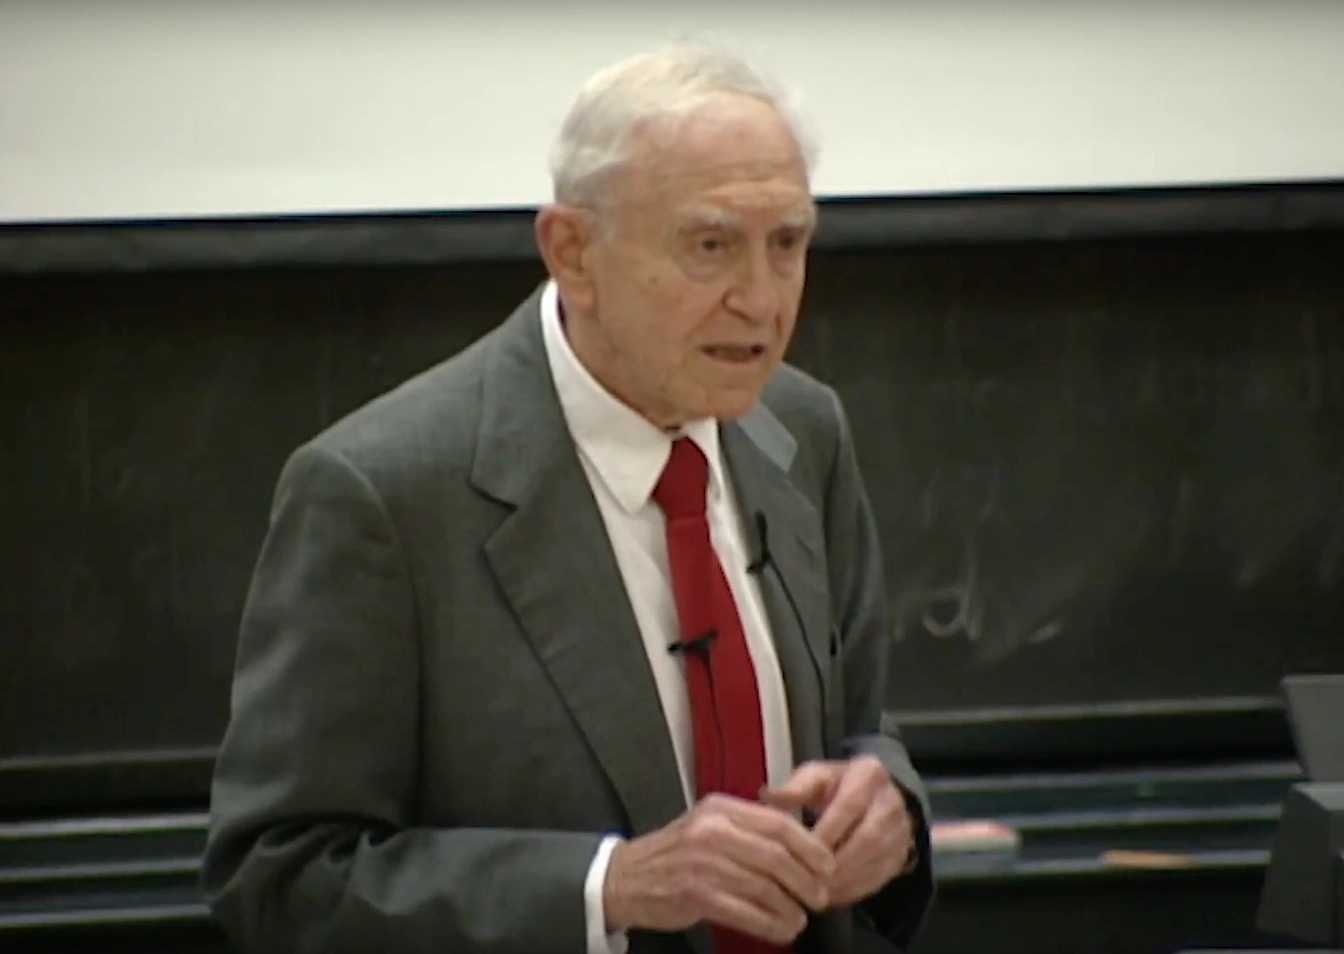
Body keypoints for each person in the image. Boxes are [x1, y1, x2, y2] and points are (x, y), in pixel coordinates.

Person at [201, 41, 934, 954]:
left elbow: (859, 727)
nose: (761, 299)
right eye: (710, 246)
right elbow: (281, 877)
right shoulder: (382, 495)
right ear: (573, 253)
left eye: (786, 244)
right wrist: (606, 889)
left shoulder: (800, 428)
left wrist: (889, 807)